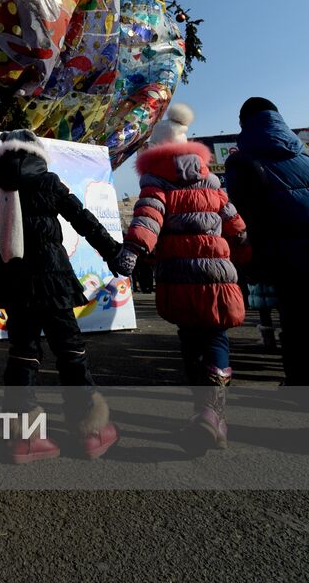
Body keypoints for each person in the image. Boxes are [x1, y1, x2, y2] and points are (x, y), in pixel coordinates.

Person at [0, 129, 132, 463]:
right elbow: (84, 220)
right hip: (53, 279)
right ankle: (91, 433)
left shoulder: (0, 190)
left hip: (15, 282)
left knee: (23, 352)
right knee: (71, 350)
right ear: (37, 154)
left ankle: (24, 438)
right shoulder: (49, 182)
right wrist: (114, 253)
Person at [124, 103, 250, 451]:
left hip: (178, 275)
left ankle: (203, 413)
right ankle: (214, 416)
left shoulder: (155, 182)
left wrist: (133, 250)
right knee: (216, 337)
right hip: (218, 276)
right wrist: (240, 247)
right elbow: (236, 224)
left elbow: (148, 219)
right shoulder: (212, 183)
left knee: (190, 340)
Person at [225, 97, 309, 385]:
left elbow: (241, 213)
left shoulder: (242, 161)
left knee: (295, 324)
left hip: (284, 256)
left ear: (243, 123)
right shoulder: (304, 157)